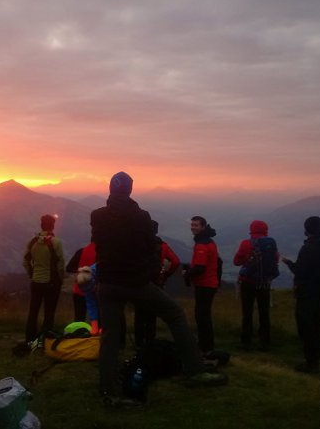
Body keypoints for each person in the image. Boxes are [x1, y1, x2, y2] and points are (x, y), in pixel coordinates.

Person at [91, 172, 226, 406]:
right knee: (174, 313)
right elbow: (150, 249)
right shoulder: (140, 216)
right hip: (135, 282)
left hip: (106, 284)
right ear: (130, 190)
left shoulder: (97, 216)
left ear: (110, 189)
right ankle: (195, 370)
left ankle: (108, 389)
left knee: (110, 336)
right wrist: (150, 274)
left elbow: (99, 244)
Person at [282, 216, 320, 374]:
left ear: (306, 228)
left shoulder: (308, 248)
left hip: (307, 293)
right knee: (316, 325)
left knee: (306, 326)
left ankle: (310, 363)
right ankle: (315, 358)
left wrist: (289, 263)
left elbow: (300, 270)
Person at [233, 220, 280, 350]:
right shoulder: (271, 243)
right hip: (265, 283)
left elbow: (236, 261)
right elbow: (275, 259)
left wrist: (247, 260)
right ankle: (265, 342)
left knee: (247, 313)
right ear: (266, 230)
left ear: (251, 230)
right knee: (264, 313)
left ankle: (246, 342)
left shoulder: (246, 243)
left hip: (247, 282)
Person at [134, 220, 180, 347]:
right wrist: (165, 275)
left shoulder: (138, 244)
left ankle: (139, 343)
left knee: (139, 314)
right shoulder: (163, 246)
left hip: (140, 283)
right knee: (151, 315)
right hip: (156, 283)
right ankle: (150, 342)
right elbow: (175, 261)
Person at [22, 214, 65, 344]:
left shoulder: (32, 241)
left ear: (41, 225)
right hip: (51, 283)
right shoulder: (56, 242)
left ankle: (30, 338)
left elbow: (25, 261)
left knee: (33, 310)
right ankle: (45, 339)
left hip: (36, 281)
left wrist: (32, 274)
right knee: (49, 311)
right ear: (53, 226)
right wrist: (60, 278)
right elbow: (61, 264)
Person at [183, 216, 220, 356]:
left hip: (205, 284)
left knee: (202, 316)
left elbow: (200, 267)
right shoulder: (209, 241)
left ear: (203, 227)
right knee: (204, 316)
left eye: (196, 225)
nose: (193, 227)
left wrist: (187, 274)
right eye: (192, 224)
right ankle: (206, 346)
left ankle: (205, 347)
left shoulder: (202, 245)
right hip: (209, 284)